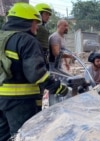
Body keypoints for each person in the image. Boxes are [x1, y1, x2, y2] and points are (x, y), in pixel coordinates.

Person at [0, 3, 69, 140]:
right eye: (35, 22)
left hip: (2, 99)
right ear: (26, 22)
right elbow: (37, 74)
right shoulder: (27, 40)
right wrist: (58, 87)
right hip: (21, 101)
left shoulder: (3, 37)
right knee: (23, 135)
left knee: (3, 135)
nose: (37, 26)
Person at [35, 3, 52, 69]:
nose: (48, 17)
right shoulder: (40, 28)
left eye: (49, 15)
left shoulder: (43, 27)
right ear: (39, 14)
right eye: (46, 14)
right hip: (38, 58)